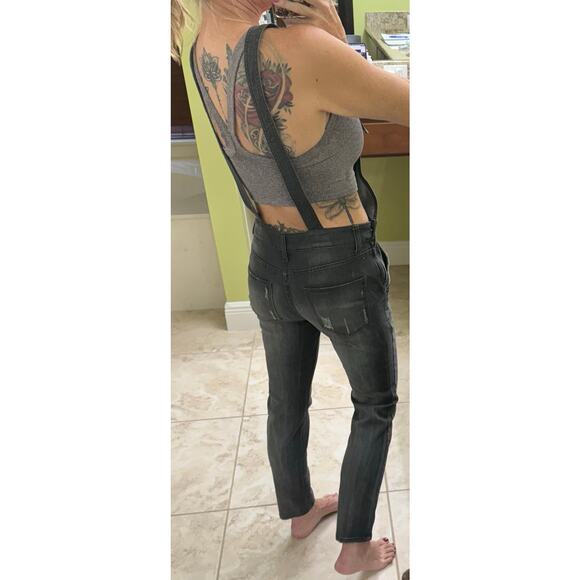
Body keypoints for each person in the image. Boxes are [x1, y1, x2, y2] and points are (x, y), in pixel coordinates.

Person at [172, 0, 409, 575]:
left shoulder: (200, 43)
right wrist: (332, 34)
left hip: (268, 258)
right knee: (373, 404)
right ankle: (354, 547)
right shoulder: (303, 47)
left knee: (286, 398)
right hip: (339, 262)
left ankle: (300, 512)